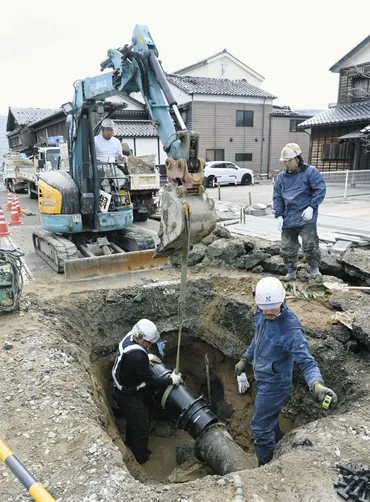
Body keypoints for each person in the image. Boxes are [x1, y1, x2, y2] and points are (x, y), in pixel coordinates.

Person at [235, 277, 337, 466]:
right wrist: (245, 358)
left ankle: (265, 466)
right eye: (265, 309)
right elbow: (257, 339)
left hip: (275, 384)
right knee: (268, 418)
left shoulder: (290, 330)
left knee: (259, 427)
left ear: (283, 301)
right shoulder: (261, 313)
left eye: (274, 308)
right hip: (262, 377)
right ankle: (277, 443)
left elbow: (307, 362)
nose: (270, 313)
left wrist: (316, 384)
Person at [112, 319, 182, 465]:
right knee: (141, 427)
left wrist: (146, 357)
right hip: (128, 394)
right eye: (149, 343)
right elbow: (151, 380)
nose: (151, 345)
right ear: (141, 339)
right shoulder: (137, 356)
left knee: (135, 418)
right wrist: (171, 380)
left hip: (124, 383)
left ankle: (130, 442)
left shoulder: (130, 336)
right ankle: (141, 458)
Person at [273, 143, 326, 282]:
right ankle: (291, 271)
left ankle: (314, 269)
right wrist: (278, 215)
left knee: (310, 244)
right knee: (288, 247)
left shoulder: (310, 172)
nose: (286, 164)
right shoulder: (281, 178)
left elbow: (320, 190)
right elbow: (277, 197)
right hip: (288, 217)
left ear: (297, 158)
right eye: (284, 161)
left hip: (305, 216)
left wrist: (312, 207)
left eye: (289, 160)